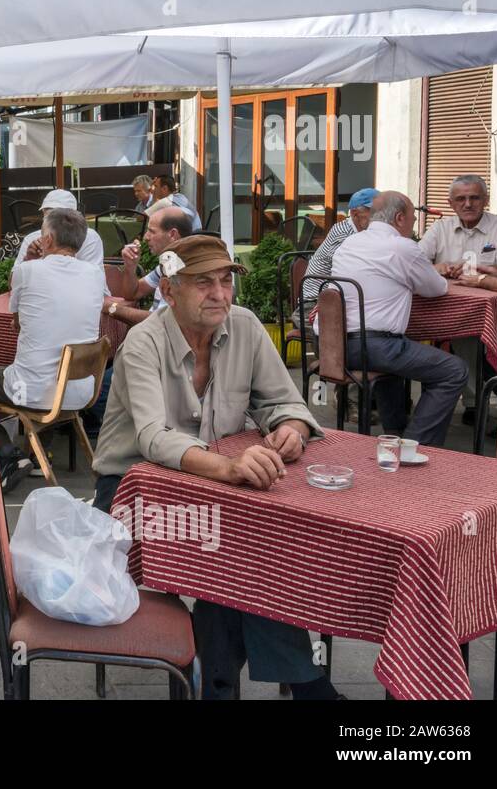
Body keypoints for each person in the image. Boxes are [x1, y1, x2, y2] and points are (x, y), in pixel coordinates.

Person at [90, 235, 338, 701]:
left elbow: (285, 401)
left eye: (225, 281)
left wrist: (290, 430)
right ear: (168, 291)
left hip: (209, 490)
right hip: (131, 496)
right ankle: (306, 688)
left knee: (246, 543)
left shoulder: (243, 326)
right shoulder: (143, 342)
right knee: (241, 549)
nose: (220, 294)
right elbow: (153, 436)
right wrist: (228, 468)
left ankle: (219, 683)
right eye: (203, 283)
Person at [0, 210, 106, 482]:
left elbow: (17, 322)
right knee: (46, 369)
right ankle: (35, 456)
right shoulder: (95, 274)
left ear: (46, 238)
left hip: (34, 392)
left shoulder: (27, 270)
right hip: (80, 392)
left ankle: (7, 454)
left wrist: (31, 260)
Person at [329, 191, 466, 445]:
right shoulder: (402, 247)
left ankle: (395, 434)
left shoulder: (350, 243)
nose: (414, 224)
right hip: (373, 346)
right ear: (400, 218)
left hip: (332, 345)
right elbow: (436, 288)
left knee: (394, 361)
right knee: (454, 370)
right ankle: (414, 445)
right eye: (413, 218)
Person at [418, 175, 497, 421]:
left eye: (474, 198)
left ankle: (477, 402)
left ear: (485, 200)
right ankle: (460, 399)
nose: (468, 204)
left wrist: (478, 271)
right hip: (443, 306)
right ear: (451, 203)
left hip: (494, 307)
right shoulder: (440, 228)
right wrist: (440, 267)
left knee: (472, 335)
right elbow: (416, 261)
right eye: (461, 199)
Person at [106, 206, 193, 327]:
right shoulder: (169, 262)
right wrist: (130, 267)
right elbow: (133, 293)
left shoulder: (184, 269)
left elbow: (162, 320)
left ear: (172, 234)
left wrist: (112, 308)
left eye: (151, 231)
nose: (145, 237)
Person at [299, 188, 377, 312]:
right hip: (315, 303)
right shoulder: (344, 233)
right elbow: (358, 269)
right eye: (373, 212)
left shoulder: (358, 231)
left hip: (334, 298)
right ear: (355, 214)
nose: (378, 217)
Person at [15, 189, 104, 265]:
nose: (55, 220)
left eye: (60, 216)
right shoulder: (31, 240)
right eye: (49, 214)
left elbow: (90, 279)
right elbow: (15, 281)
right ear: (43, 213)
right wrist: (28, 259)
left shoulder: (90, 238)